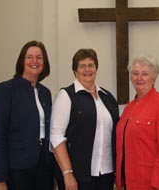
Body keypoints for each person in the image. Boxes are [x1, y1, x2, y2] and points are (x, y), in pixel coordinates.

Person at [50, 48, 119, 190]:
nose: (87, 69)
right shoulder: (67, 95)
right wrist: (67, 173)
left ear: (96, 68)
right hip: (78, 175)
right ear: (75, 70)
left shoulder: (107, 97)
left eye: (91, 65)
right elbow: (56, 136)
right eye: (82, 66)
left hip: (106, 173)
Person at [0, 40, 54, 190]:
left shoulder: (45, 93)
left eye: (39, 57)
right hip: (17, 169)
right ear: (21, 61)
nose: (34, 61)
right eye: (29, 57)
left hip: (44, 167)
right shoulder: (5, 90)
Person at [115, 55, 159, 190]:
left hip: (153, 184)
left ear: (154, 77)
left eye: (145, 74)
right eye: (135, 73)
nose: (139, 78)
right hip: (129, 183)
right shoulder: (129, 108)